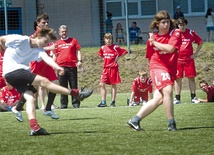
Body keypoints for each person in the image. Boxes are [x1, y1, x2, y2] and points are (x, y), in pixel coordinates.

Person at [0, 27, 93, 136]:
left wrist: (57, 67)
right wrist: (4, 51)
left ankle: (34, 127)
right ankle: (76, 93)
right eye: (45, 41)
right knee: (44, 81)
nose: (46, 44)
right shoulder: (22, 40)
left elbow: (47, 59)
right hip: (13, 70)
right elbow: (1, 39)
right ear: (39, 36)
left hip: (12, 74)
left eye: (48, 43)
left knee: (30, 98)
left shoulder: (39, 50)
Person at [127, 10, 182, 131]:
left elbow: (171, 49)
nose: (166, 25)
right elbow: (149, 57)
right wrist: (154, 71)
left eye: (167, 22)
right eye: (163, 22)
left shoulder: (175, 33)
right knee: (168, 90)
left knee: (159, 99)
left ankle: (135, 120)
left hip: (169, 69)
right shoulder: (152, 39)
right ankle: (171, 123)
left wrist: (154, 42)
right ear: (157, 24)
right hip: (157, 67)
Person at [53, 25, 92, 109]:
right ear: (59, 33)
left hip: (72, 67)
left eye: (65, 31)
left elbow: (78, 51)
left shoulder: (73, 41)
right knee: (62, 87)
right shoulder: (57, 43)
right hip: (61, 68)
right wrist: (54, 66)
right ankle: (64, 104)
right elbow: (54, 56)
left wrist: (80, 61)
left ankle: (76, 103)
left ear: (68, 31)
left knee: (74, 86)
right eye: (62, 31)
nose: (64, 32)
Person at [29, 13, 60, 118]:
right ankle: (18, 108)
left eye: (47, 22)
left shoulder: (47, 34)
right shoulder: (34, 36)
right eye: (43, 22)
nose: (46, 24)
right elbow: (33, 49)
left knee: (55, 84)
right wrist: (48, 49)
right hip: (36, 64)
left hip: (46, 64)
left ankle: (47, 108)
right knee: (31, 89)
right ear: (38, 24)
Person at [173, 18, 203, 104]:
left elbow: (200, 42)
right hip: (178, 60)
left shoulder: (191, 33)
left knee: (191, 78)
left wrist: (195, 54)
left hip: (188, 60)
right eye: (180, 25)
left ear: (186, 24)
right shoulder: (175, 33)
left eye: (183, 24)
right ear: (178, 25)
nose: (182, 26)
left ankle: (193, 97)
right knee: (178, 79)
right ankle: (177, 98)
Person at [97, 33, 128, 107]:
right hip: (105, 68)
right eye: (107, 39)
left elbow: (125, 52)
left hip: (113, 68)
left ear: (112, 39)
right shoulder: (103, 48)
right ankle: (103, 101)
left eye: (110, 39)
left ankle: (113, 101)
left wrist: (118, 58)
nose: (108, 40)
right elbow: (100, 55)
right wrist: (104, 60)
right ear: (104, 39)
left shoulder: (115, 47)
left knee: (113, 85)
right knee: (101, 84)